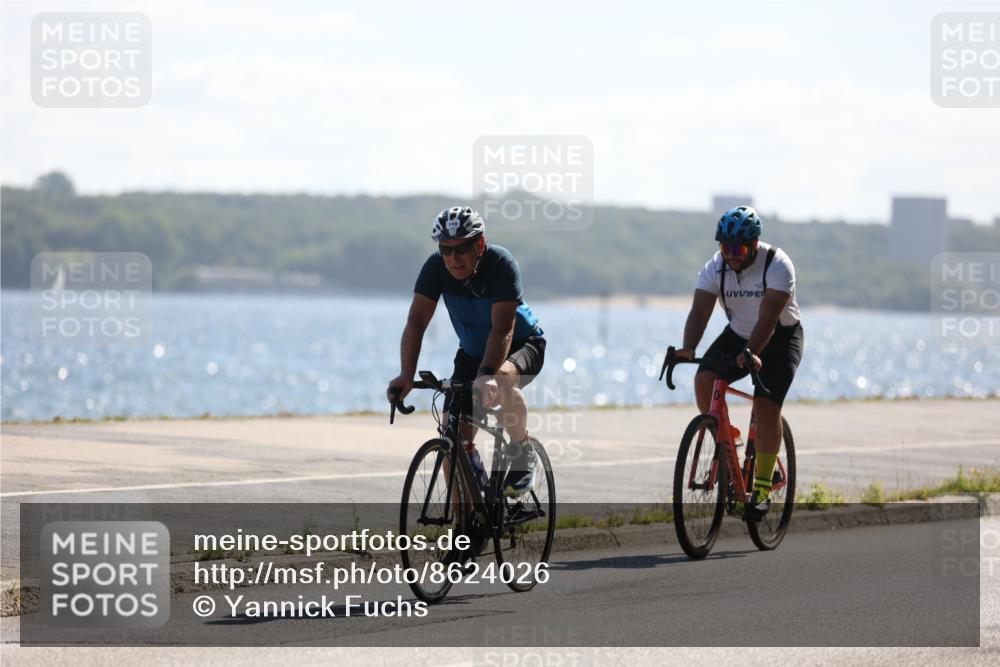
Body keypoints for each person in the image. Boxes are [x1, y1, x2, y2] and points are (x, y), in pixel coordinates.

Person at [386, 206, 546, 496]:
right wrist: (406, 374)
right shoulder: (436, 268)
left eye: (461, 249)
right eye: (446, 249)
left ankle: (523, 451)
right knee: (452, 437)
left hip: (521, 344)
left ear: (480, 245)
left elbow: (502, 329)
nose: (453, 258)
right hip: (472, 353)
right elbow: (416, 322)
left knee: (502, 379)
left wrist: (487, 375)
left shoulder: (500, 264)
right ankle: (466, 527)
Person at [674, 205, 804, 520]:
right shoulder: (714, 268)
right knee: (704, 379)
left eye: (739, 248)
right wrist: (688, 348)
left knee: (766, 406)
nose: (731, 254)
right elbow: (700, 312)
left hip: (780, 338)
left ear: (754, 245)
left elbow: (769, 319)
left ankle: (761, 485)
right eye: (725, 247)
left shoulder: (776, 265)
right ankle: (726, 439)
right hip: (737, 333)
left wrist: (751, 353)